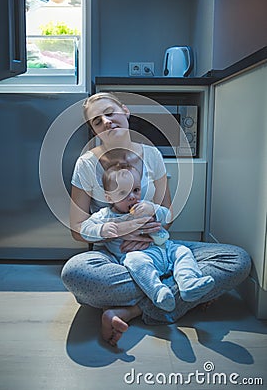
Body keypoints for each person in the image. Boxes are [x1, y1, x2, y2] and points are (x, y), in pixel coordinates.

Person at [61, 92, 251, 346]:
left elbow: (167, 215)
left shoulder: (152, 156)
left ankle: (131, 310)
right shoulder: (86, 164)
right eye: (97, 121)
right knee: (75, 273)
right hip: (117, 255)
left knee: (237, 260)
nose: (106, 122)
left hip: (160, 247)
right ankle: (183, 288)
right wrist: (121, 232)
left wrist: (149, 230)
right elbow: (77, 229)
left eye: (110, 113)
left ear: (125, 111)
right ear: (93, 129)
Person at [80, 164, 215, 312]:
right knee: (135, 262)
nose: (132, 197)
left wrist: (154, 210)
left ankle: (188, 284)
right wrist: (102, 229)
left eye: (136, 190)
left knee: (183, 252)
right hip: (137, 256)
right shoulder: (105, 216)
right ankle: (158, 292)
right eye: (123, 193)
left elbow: (169, 216)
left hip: (165, 250)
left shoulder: (145, 206)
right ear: (109, 197)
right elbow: (84, 229)